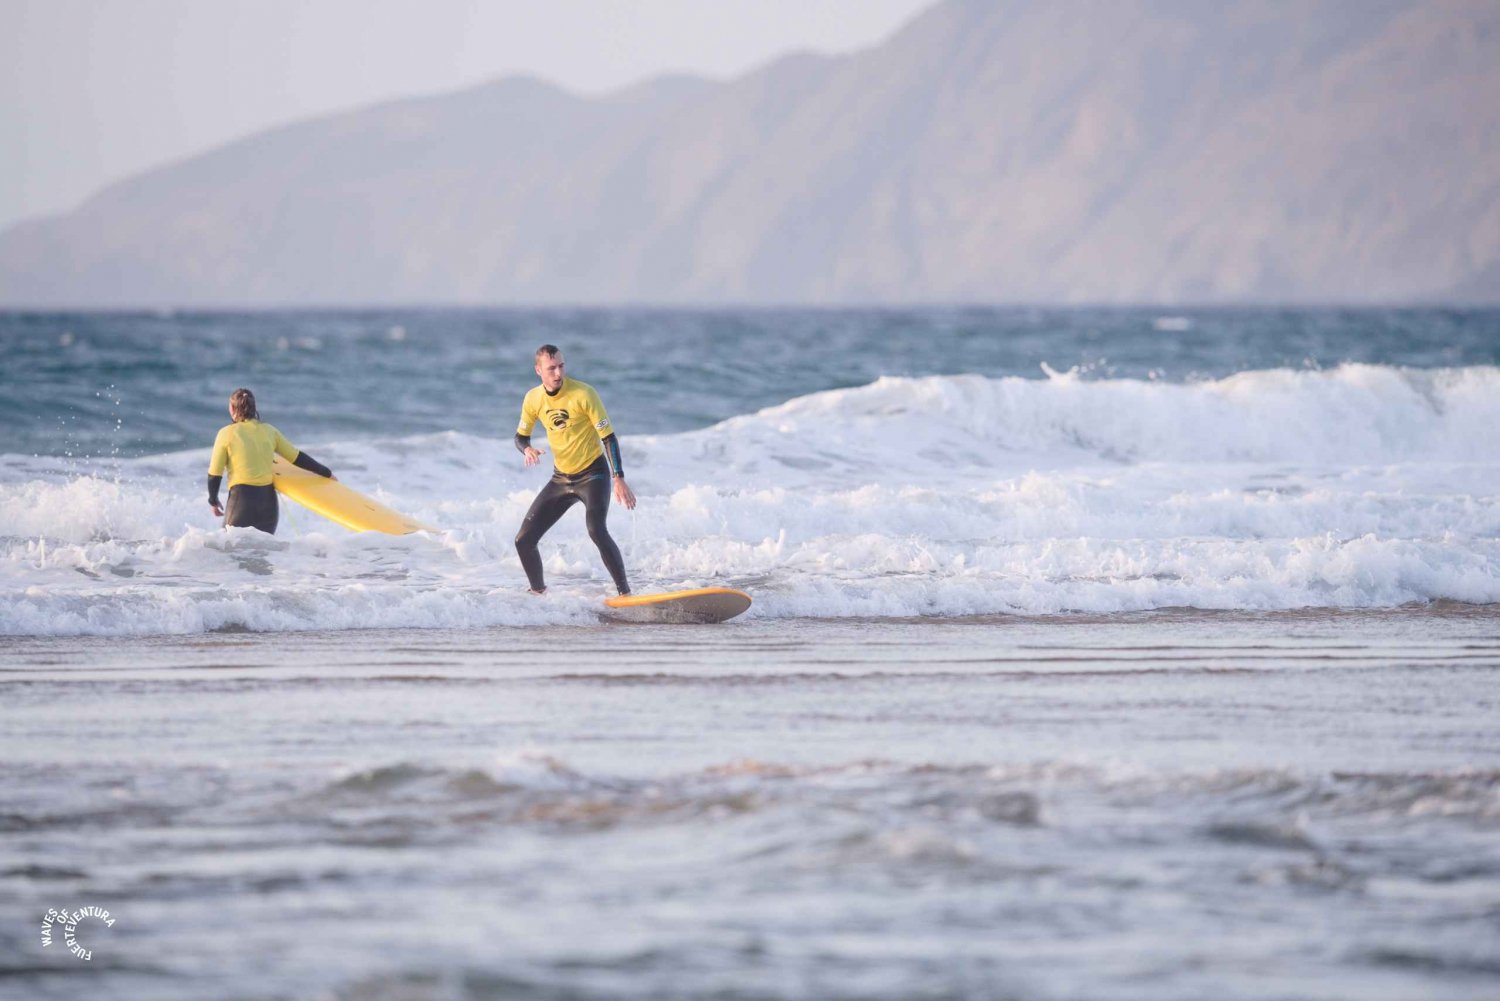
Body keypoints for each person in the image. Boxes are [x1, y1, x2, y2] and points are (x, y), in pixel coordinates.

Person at [514, 344, 635, 595]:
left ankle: (625, 593)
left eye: (561, 366)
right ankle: (538, 593)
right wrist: (526, 449)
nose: (558, 373)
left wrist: (619, 478)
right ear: (538, 370)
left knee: (596, 530)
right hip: (561, 479)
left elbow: (609, 437)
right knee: (523, 541)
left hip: (593, 474)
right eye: (551, 368)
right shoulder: (533, 399)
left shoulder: (584, 393)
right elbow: (520, 436)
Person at [207, 388, 334, 534]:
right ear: (254, 408)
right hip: (268, 507)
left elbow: (214, 473)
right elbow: (297, 457)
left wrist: (213, 501)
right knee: (264, 554)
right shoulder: (270, 431)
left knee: (229, 553)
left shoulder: (226, 433)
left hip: (241, 504)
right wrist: (326, 472)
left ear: (232, 408)